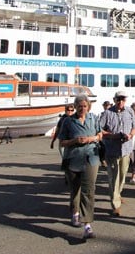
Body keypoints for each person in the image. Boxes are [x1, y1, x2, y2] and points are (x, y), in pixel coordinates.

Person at [58, 94, 102, 240]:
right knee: (75, 189)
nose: (82, 109)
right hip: (73, 158)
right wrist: (74, 141)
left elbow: (100, 135)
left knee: (89, 190)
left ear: (88, 106)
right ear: (75, 107)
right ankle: (75, 212)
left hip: (91, 157)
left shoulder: (93, 118)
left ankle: (87, 225)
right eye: (79, 106)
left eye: (84, 106)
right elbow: (62, 142)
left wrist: (90, 139)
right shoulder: (68, 122)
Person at [99, 91, 135, 217]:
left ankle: (118, 194)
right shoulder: (107, 113)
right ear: (114, 100)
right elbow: (100, 130)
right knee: (114, 177)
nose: (121, 102)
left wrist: (131, 135)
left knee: (122, 175)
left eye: (123, 99)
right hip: (112, 150)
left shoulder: (130, 111)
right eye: (118, 99)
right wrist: (113, 136)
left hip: (126, 149)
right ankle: (115, 204)